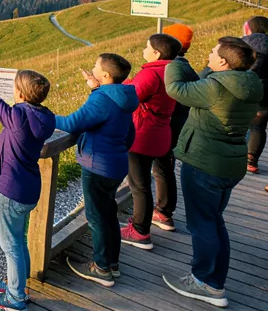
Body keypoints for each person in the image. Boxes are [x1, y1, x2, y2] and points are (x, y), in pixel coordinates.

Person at [162, 37, 263, 307]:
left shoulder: (215, 89)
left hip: (204, 163)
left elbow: (174, 88)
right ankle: (215, 279)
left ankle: (204, 282)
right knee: (214, 221)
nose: (208, 53)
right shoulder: (249, 83)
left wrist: (172, 60)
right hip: (229, 163)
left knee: (202, 224)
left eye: (212, 51)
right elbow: (202, 83)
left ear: (223, 61)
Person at [0, 63, 56, 310]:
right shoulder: (43, 118)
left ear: (22, 95)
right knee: (18, 239)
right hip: (28, 188)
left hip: (11, 191)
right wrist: (0, 143)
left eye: (16, 89)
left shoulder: (17, 117)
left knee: (10, 244)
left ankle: (15, 299)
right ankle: (19, 286)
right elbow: (19, 139)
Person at [55, 54, 137, 288]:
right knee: (108, 213)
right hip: (116, 163)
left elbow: (72, 123)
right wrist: (96, 89)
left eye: (96, 67)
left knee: (96, 217)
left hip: (97, 165)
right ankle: (112, 264)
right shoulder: (124, 95)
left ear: (105, 75)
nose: (92, 69)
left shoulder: (102, 99)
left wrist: (43, 117)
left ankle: (101, 268)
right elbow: (121, 126)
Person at [120, 33, 181, 250]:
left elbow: (130, 98)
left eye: (147, 47)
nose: (143, 50)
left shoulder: (151, 74)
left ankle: (139, 231)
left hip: (142, 135)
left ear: (156, 53)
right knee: (164, 172)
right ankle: (164, 213)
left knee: (139, 184)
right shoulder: (174, 71)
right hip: (163, 131)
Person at [152, 24, 197, 232]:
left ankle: (163, 211)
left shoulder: (172, 68)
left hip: (167, 126)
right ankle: (164, 209)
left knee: (162, 168)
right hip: (177, 125)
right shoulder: (186, 67)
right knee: (165, 166)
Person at [242, 16, 268, 173]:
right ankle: (252, 161)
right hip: (267, 90)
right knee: (259, 124)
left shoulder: (245, 42)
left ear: (249, 28)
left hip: (248, 86)